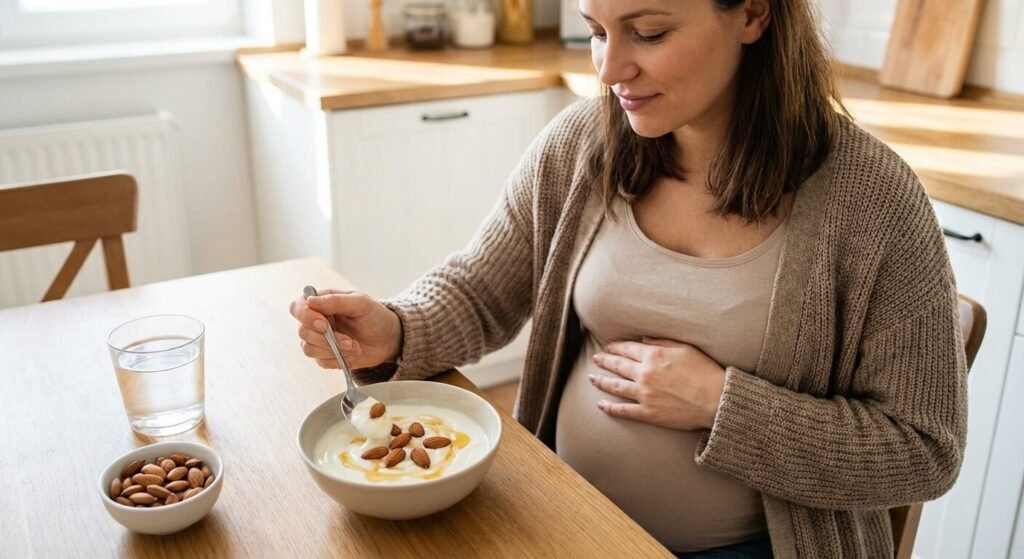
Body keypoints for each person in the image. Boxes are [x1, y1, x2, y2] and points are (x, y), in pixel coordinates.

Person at [289, 0, 968, 556]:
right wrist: (396, 327)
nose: (611, 68)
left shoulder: (875, 202)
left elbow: (925, 448)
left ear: (754, 14)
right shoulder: (584, 143)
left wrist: (720, 403)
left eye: (649, 32)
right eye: (595, 32)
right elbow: (482, 285)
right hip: (559, 514)